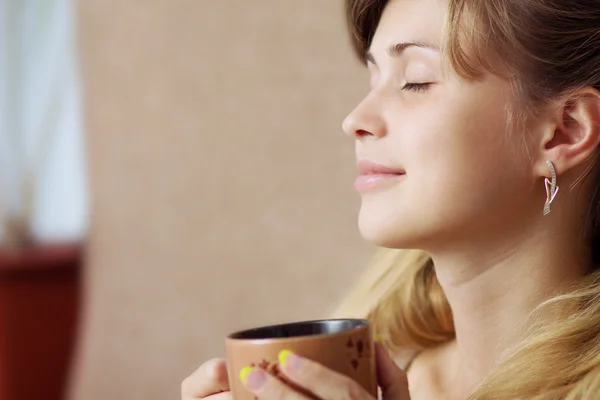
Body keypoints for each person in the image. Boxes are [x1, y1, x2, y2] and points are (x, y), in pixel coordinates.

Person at [182, 0, 600, 398]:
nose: (354, 120)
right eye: (372, 79)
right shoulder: (381, 376)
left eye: (414, 81)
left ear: (565, 130)